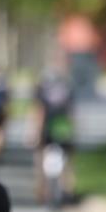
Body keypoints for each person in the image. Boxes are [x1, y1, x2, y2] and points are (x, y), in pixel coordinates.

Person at [32, 68, 76, 203]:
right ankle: (69, 190)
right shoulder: (67, 88)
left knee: (40, 156)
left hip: (47, 127)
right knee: (68, 158)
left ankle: (41, 190)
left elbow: (40, 112)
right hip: (63, 128)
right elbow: (71, 112)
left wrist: (35, 133)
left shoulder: (42, 90)